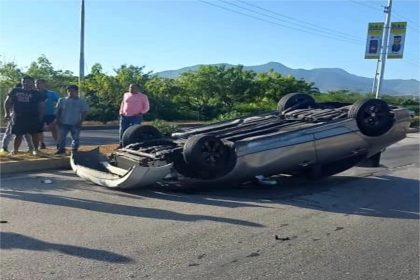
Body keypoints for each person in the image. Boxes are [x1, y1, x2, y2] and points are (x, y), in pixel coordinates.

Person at [3, 76, 45, 155]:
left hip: (33, 116)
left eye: (28, 81)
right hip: (19, 116)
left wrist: (41, 116)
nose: (25, 83)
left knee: (35, 134)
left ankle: (36, 150)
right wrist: (7, 113)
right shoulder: (15, 90)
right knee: (18, 134)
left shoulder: (37, 93)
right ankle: (15, 150)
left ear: (32, 83)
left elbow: (41, 105)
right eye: (24, 81)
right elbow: (7, 102)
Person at [55, 85, 89, 155]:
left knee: (75, 137)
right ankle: (61, 149)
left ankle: (74, 150)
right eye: (68, 91)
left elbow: (85, 112)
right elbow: (58, 110)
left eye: (72, 91)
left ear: (76, 91)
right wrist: (57, 119)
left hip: (75, 122)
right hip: (63, 122)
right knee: (61, 137)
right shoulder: (62, 100)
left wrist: (80, 121)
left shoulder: (81, 101)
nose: (70, 92)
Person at [1, 83, 34, 153]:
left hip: (24, 115)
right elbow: (8, 103)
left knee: (26, 133)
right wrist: (7, 113)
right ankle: (4, 147)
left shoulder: (28, 94)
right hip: (14, 114)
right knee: (10, 131)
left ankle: (31, 147)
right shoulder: (14, 94)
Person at [35, 79, 60, 149]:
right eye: (36, 83)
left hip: (50, 114)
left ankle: (58, 144)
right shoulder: (34, 93)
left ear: (44, 84)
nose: (37, 85)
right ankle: (42, 144)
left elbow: (60, 102)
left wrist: (56, 111)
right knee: (39, 130)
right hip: (38, 114)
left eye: (39, 83)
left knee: (54, 129)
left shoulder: (51, 93)